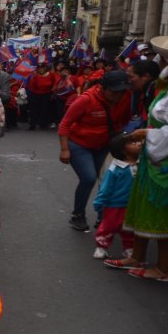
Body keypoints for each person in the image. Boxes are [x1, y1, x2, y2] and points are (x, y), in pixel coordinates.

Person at [105, 35, 168, 282]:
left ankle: (164, 268)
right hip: (156, 156)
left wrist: (148, 132)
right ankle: (137, 256)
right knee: (144, 206)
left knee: (164, 213)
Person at [58, 70, 133, 232]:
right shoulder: (86, 99)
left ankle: (104, 216)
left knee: (107, 180)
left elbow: (126, 121)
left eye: (122, 92)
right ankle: (78, 215)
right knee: (89, 178)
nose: (118, 96)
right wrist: (65, 149)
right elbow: (64, 125)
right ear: (103, 88)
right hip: (80, 145)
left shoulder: (126, 97)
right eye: (114, 92)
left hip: (105, 145)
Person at [92, 134, 140, 260]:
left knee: (130, 229)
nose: (138, 144)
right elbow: (106, 186)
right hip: (114, 204)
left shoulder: (141, 165)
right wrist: (99, 201)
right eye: (132, 143)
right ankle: (101, 247)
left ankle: (129, 249)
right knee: (108, 226)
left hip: (133, 204)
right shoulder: (116, 167)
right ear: (122, 150)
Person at [26, 63, 57, 130]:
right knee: (33, 110)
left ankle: (43, 124)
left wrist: (54, 89)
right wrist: (34, 77)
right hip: (35, 94)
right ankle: (32, 124)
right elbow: (31, 86)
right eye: (39, 68)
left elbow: (55, 83)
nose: (41, 69)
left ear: (45, 68)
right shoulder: (35, 76)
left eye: (42, 68)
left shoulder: (51, 74)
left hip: (47, 94)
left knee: (44, 109)